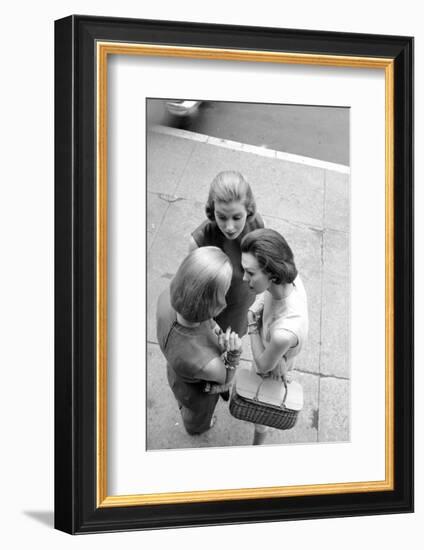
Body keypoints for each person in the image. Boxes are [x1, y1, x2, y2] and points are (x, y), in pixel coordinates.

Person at [156, 246, 242, 436]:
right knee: (196, 416)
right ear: (214, 304)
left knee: (182, 399)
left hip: (176, 373)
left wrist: (213, 326)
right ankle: (198, 428)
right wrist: (234, 354)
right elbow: (225, 378)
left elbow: (199, 314)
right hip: (196, 393)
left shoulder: (165, 299)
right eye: (225, 291)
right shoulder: (207, 363)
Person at [240, 228, 309, 445]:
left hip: (272, 365)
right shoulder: (291, 279)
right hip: (277, 354)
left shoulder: (283, 332)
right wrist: (279, 356)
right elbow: (267, 296)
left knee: (262, 410)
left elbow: (261, 365)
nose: (244, 278)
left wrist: (252, 323)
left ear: (273, 275)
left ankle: (256, 447)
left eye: (250, 273)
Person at [189, 171, 264, 336]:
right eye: (221, 217)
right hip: (213, 321)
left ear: (249, 211)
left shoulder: (258, 224)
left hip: (243, 310)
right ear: (212, 210)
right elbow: (195, 296)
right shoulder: (199, 242)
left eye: (237, 217)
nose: (229, 227)